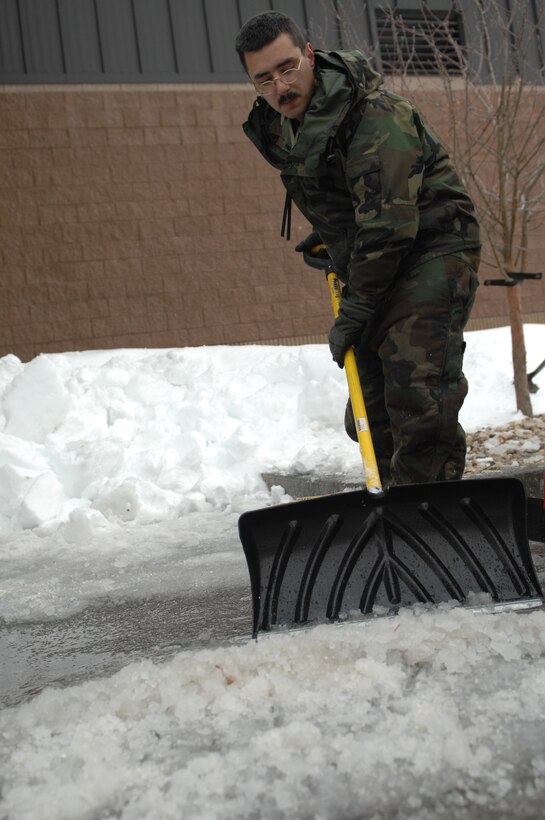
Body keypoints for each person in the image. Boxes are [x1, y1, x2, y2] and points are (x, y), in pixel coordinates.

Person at [235, 11, 481, 486]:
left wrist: (356, 308)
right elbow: (343, 192)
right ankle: (396, 510)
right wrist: (332, 234)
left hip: (431, 247)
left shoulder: (374, 115)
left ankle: (430, 524)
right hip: (374, 256)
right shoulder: (278, 125)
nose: (280, 86)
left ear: (309, 55)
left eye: (288, 68)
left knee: (417, 396)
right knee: (369, 410)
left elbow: (389, 223)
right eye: (264, 79)